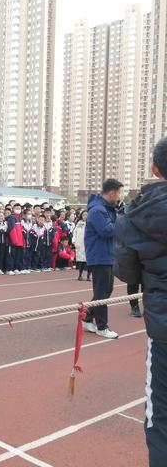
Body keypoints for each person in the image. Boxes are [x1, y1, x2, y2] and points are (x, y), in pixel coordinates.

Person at [114, 137, 167, 467]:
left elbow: (126, 271)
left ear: (154, 169)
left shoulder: (135, 215)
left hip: (163, 330)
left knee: (161, 418)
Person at [83, 178, 124, 339]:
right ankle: (102, 326)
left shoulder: (106, 208)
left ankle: (87, 317)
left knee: (105, 290)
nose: (119, 197)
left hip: (107, 255)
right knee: (102, 292)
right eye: (119, 193)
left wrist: (118, 214)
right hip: (100, 256)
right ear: (112, 193)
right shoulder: (98, 210)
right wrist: (121, 219)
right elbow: (107, 231)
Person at [72, 210, 90, 281]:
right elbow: (75, 232)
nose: (85, 216)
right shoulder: (79, 223)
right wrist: (74, 241)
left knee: (88, 261)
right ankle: (80, 274)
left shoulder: (91, 223)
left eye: (86, 215)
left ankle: (88, 275)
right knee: (80, 261)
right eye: (84, 215)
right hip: (80, 244)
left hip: (88, 245)